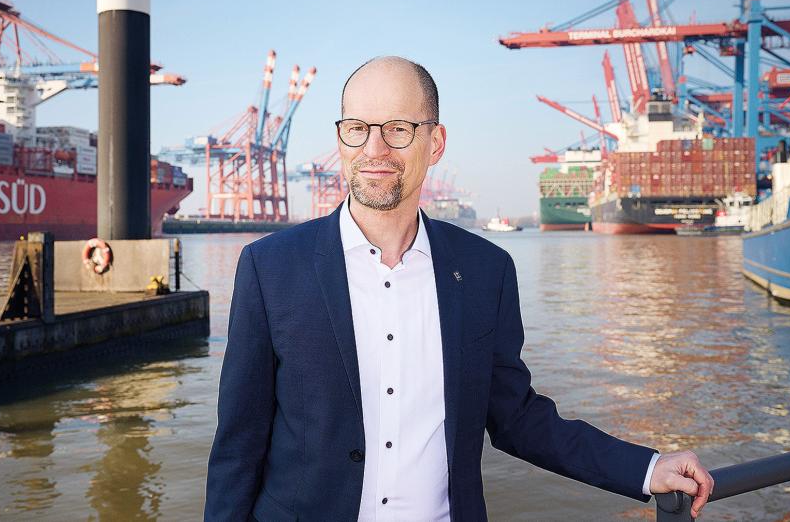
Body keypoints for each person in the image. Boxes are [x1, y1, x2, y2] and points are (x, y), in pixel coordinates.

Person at [205, 56, 713, 521]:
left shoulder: (486, 270)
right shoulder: (269, 268)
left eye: (398, 129)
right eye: (357, 129)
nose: (374, 149)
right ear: (341, 139)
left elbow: (515, 417)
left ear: (436, 142)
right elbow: (238, 447)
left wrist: (646, 468)